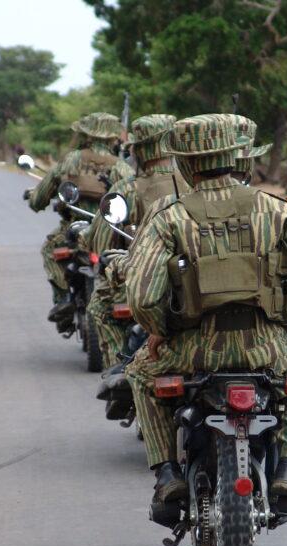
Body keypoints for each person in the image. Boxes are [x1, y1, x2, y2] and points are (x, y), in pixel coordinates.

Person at [124, 114, 287, 514]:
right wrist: (286, 318)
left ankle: (168, 475)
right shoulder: (278, 211)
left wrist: (164, 331)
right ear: (242, 159)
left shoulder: (168, 217)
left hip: (191, 352)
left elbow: (143, 299)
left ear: (185, 164)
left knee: (138, 373)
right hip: (267, 350)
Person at [81, 113, 183, 374]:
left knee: (101, 307)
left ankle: (123, 370)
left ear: (140, 149)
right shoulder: (193, 184)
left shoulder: (126, 188)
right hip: (195, 280)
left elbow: (100, 242)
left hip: (144, 281)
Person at [24, 112, 132, 325]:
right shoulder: (122, 167)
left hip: (73, 229)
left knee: (49, 250)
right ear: (113, 138)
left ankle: (63, 298)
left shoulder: (70, 160)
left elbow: (41, 197)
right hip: (110, 233)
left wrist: (35, 199)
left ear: (86, 135)